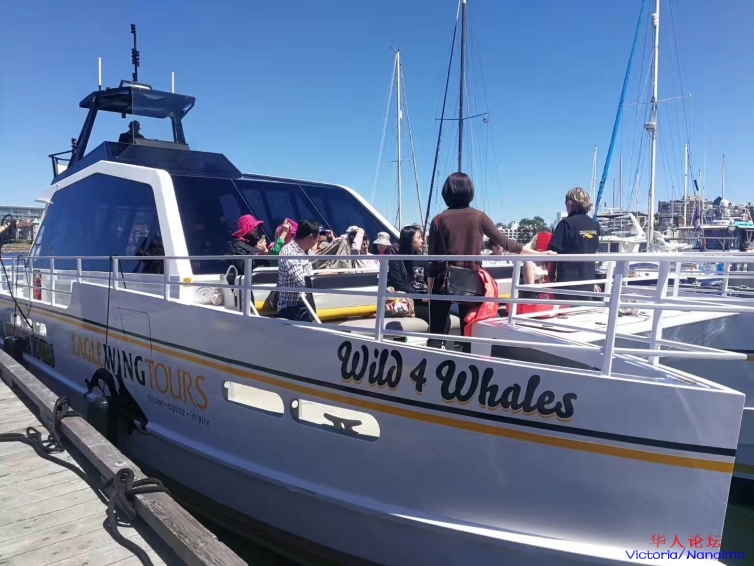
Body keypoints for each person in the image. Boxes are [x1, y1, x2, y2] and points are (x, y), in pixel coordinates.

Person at [427, 172, 549, 348]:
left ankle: (435, 356)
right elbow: (505, 243)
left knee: (436, 333)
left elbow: (432, 260)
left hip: (442, 280)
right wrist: (537, 254)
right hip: (471, 280)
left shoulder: (438, 220)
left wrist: (429, 292)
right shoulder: (479, 216)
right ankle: (467, 359)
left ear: (446, 191)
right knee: (469, 330)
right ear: (470, 191)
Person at [548, 187, 601, 302]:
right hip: (588, 284)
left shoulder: (565, 224)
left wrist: (550, 276)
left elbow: (553, 254)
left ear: (570, 204)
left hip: (568, 286)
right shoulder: (595, 225)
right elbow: (593, 249)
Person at [277, 219, 321, 321]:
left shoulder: (308, 252)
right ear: (311, 237)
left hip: (309, 302)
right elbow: (303, 283)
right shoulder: (289, 253)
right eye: (317, 238)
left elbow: (318, 271)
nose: (317, 242)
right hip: (291, 307)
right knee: (311, 320)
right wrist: (324, 280)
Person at [388, 226, 430, 323]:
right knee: (436, 317)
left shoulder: (423, 259)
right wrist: (420, 297)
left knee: (443, 317)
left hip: (426, 299)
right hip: (411, 301)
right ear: (409, 239)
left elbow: (428, 280)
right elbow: (399, 284)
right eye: (419, 237)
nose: (422, 241)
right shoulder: (396, 260)